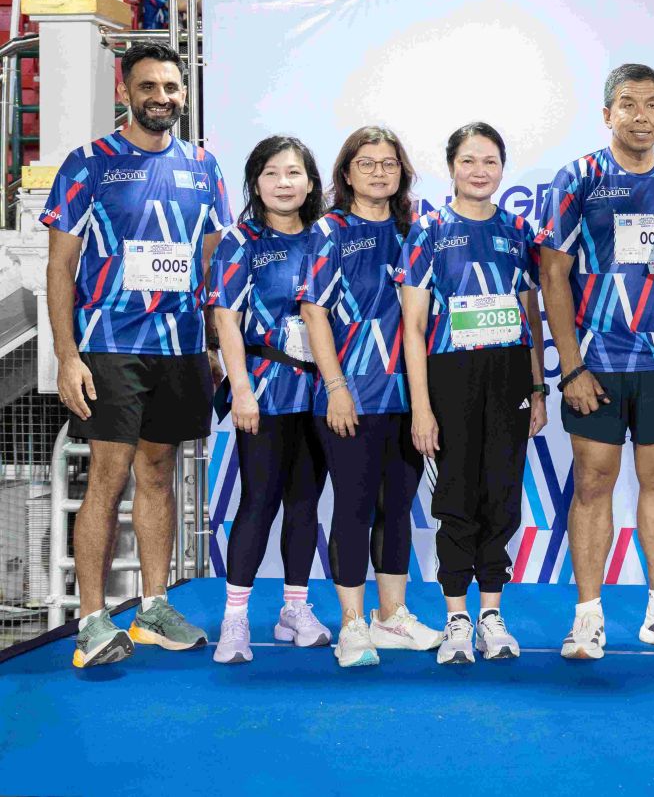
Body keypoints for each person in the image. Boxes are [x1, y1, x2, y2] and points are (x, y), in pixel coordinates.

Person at [44, 41, 230, 668]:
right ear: (125, 92)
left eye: (171, 87)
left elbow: (211, 263)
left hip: (179, 346)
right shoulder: (88, 163)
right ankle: (93, 622)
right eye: (148, 86)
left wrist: (210, 343)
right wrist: (68, 356)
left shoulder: (204, 166)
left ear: (184, 94)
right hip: (109, 343)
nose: (161, 97)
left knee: (158, 471)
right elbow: (60, 267)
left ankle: (152, 608)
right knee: (108, 475)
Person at [538, 64, 654, 661]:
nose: (640, 115)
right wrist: (571, 367)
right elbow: (552, 274)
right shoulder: (578, 178)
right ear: (608, 114)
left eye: (651, 104)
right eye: (628, 104)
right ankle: (587, 617)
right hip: (596, 362)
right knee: (592, 482)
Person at [400, 123, 547, 665]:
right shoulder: (429, 231)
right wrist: (421, 407)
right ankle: (456, 616)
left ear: (503, 169)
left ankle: (491, 614)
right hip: (450, 375)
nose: (479, 171)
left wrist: (537, 388)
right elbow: (413, 327)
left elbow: (530, 315)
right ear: (451, 167)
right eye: (468, 160)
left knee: (501, 496)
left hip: (508, 375)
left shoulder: (519, 230)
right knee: (457, 497)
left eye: (490, 161)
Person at [298, 126, 443, 668]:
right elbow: (313, 312)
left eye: (389, 163)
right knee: (353, 509)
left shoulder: (417, 228)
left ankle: (392, 616)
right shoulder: (329, 230)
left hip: (407, 396)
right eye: (367, 163)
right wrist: (336, 387)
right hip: (350, 396)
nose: (379, 172)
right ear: (346, 172)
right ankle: (353, 625)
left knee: (398, 509)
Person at [208, 136, 331, 664]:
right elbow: (226, 319)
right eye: (272, 173)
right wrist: (240, 389)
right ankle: (235, 618)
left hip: (320, 393)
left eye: (294, 172)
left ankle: (294, 609)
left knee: (305, 502)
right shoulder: (242, 241)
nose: (285, 183)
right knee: (258, 502)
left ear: (311, 181)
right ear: (256, 184)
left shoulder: (328, 236)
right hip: (263, 390)